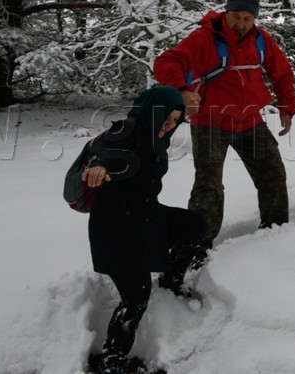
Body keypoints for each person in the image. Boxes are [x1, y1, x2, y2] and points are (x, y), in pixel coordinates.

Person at [153, 0, 295, 242]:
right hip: (211, 122)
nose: (240, 24)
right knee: (209, 188)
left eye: (247, 18)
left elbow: (283, 73)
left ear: (254, 17)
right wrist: (182, 90)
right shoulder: (204, 38)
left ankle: (276, 237)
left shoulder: (261, 40)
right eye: (235, 16)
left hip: (250, 121)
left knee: (272, 176)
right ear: (226, 11)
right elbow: (166, 62)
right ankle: (196, 248)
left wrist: (287, 106)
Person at [84, 85, 208, 374]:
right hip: (114, 229)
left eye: (174, 121)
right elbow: (99, 149)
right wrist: (97, 166)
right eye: (165, 119)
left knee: (195, 225)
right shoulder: (125, 130)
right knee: (137, 295)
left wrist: (185, 102)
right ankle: (112, 360)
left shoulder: (158, 131)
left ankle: (172, 279)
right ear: (152, 113)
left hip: (147, 217)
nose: (169, 127)